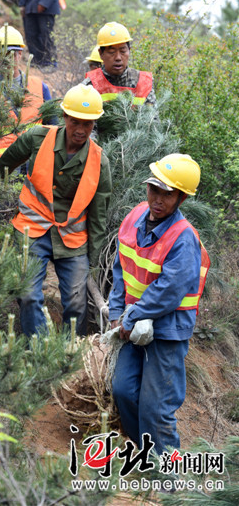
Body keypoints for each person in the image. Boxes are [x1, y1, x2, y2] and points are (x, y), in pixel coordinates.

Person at [109, 154, 210, 455]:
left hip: (168, 329)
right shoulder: (134, 218)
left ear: (181, 198)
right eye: (154, 189)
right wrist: (117, 313)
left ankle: (168, 479)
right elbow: (121, 268)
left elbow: (169, 291)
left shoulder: (183, 238)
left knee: (156, 408)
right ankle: (145, 455)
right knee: (123, 391)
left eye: (167, 194)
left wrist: (130, 317)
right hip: (132, 322)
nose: (157, 199)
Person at [0, 84, 112, 337]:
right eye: (75, 122)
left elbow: (98, 214)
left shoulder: (99, 160)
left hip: (72, 238)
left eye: (87, 124)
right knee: (27, 294)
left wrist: (93, 260)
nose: (80, 130)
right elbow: (2, 167)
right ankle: (38, 353)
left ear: (94, 125)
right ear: (65, 117)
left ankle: (70, 358)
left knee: (77, 302)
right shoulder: (37, 137)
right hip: (32, 226)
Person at [0, 25, 52, 161]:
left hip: (35, 160)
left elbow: (53, 125)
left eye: (11, 55)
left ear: (19, 54)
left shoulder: (40, 87)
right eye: (1, 55)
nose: (6, 60)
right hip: (3, 164)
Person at [83, 22, 157, 106]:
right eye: (111, 52)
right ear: (101, 54)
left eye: (123, 51)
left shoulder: (143, 82)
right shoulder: (90, 85)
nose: (118, 57)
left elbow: (152, 117)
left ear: (129, 50)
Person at [18, 0, 61, 69]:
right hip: (29, 6)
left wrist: (44, 3)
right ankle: (36, 61)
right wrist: (22, 4)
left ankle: (50, 61)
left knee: (46, 34)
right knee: (30, 35)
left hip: (46, 8)